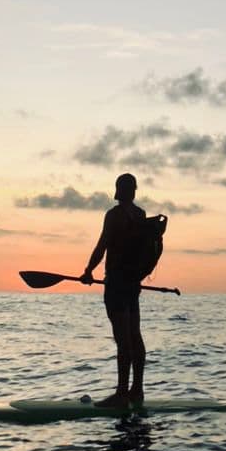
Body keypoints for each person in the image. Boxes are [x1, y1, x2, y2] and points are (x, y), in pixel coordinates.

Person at [81, 172, 148, 405]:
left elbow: (103, 246)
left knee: (123, 340)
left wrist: (88, 271)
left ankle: (121, 393)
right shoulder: (141, 215)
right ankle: (136, 391)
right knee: (135, 336)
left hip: (117, 284)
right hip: (133, 285)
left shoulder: (114, 215)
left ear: (119, 190)